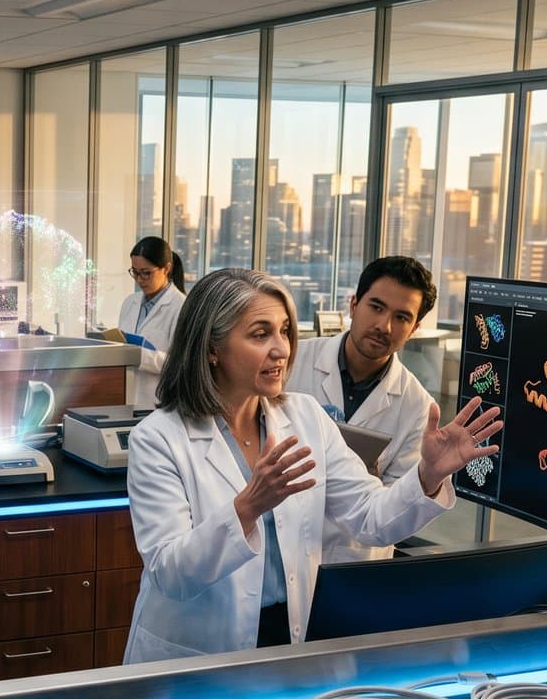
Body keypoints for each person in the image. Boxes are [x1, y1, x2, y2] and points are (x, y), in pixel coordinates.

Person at [123, 269, 501, 659]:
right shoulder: (158, 438)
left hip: (286, 635)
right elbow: (169, 573)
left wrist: (428, 475)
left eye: (285, 331)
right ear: (211, 348)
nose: (281, 349)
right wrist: (248, 507)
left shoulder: (305, 417)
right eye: (260, 334)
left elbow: (370, 517)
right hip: (193, 650)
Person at [284, 255, 439, 562]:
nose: (384, 326)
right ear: (354, 305)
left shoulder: (418, 406)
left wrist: (371, 481)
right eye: (376, 307)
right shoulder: (293, 361)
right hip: (285, 541)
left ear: (414, 328)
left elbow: (398, 511)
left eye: (401, 317)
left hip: (353, 555)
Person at [118, 236, 187, 408]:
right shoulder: (130, 302)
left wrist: (138, 355)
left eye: (146, 273)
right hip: (126, 398)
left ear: (166, 269)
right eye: (135, 272)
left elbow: (181, 365)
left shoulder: (181, 307)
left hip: (158, 402)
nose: (140, 279)